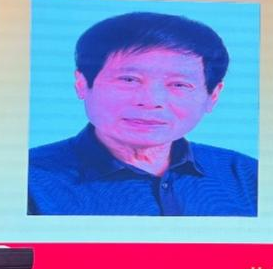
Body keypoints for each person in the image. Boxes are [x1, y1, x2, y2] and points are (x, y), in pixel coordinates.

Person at [28, 12, 258, 216]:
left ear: (213, 96)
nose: (151, 101)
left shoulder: (247, 175)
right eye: (129, 80)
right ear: (81, 84)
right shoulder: (28, 180)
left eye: (179, 84)